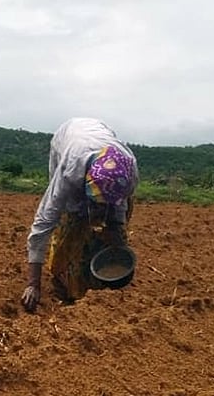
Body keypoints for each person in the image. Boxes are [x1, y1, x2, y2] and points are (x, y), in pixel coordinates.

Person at [20, 118, 139, 312]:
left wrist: (116, 232)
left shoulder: (129, 168)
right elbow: (44, 221)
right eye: (97, 202)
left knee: (116, 226)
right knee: (74, 217)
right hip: (67, 141)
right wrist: (33, 284)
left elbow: (121, 203)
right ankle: (66, 276)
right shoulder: (70, 170)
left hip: (98, 138)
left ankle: (99, 257)